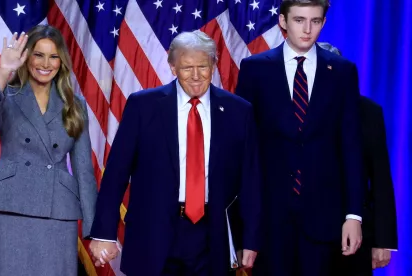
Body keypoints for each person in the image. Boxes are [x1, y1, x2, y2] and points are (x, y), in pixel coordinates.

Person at [88, 30, 261, 276]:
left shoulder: (238, 111)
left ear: (213, 65)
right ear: (172, 67)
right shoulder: (143, 106)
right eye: (187, 67)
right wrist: (104, 233)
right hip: (153, 231)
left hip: (213, 235)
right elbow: (116, 173)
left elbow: (250, 181)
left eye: (203, 66)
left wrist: (250, 240)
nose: (196, 75)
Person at [235, 1, 364, 275]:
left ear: (323, 23)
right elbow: (243, 149)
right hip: (269, 218)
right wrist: (245, 223)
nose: (307, 29)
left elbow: (352, 147)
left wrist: (353, 215)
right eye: (299, 20)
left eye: (315, 21)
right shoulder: (254, 69)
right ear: (283, 21)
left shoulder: (342, 72)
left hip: (324, 217)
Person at [0, 25, 97, 275]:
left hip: (57, 212)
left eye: (53, 56)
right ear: (27, 57)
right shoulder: (7, 96)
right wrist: (2, 72)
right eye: (38, 55)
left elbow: (84, 171)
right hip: (10, 208)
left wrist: (95, 230)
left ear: (61, 61)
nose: (46, 63)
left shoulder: (75, 105)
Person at [318, 42, 399, 276]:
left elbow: (381, 179)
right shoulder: (290, 110)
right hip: (300, 231)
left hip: (357, 232)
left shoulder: (368, 111)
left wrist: (383, 240)